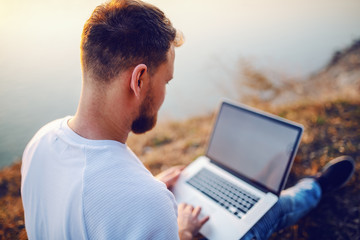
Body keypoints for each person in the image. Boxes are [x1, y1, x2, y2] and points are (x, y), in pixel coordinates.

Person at [21, 0, 355, 239]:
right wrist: (180, 232)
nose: (165, 93)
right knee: (270, 211)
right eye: (166, 81)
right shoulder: (146, 205)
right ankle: (315, 188)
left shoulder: (41, 142)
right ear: (138, 80)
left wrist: (146, 188)